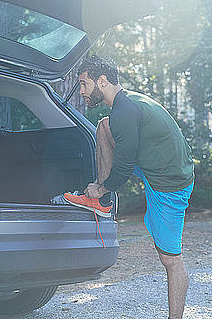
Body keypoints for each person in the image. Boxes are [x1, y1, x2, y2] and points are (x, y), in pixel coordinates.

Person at [64, 56, 195, 319]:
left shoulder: (125, 110)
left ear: (102, 81)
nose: (81, 91)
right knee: (103, 126)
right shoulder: (124, 104)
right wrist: (103, 187)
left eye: (84, 84)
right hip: (154, 166)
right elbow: (124, 149)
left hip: (168, 184)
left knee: (171, 260)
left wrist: (100, 188)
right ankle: (102, 203)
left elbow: (123, 168)